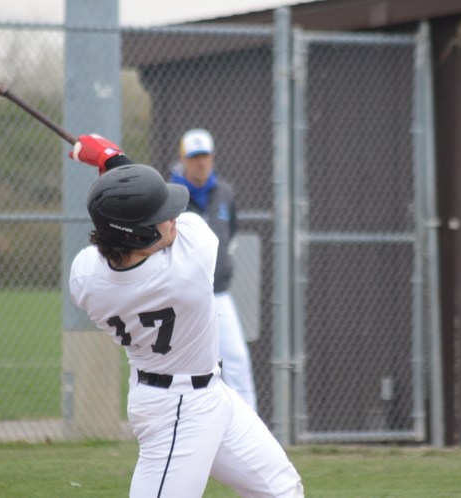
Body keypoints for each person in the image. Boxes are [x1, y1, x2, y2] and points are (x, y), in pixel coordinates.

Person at [68, 134, 304, 497]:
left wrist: (116, 186)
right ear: (140, 235)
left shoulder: (85, 278)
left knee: (281, 489)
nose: (173, 216)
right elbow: (187, 222)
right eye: (162, 217)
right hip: (176, 410)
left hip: (204, 394)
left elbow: (110, 240)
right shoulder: (190, 264)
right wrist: (114, 160)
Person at [171, 128, 257, 411]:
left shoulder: (225, 193)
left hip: (218, 294)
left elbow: (230, 231)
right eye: (195, 157)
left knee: (237, 361)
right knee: (184, 369)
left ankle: (251, 436)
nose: (201, 163)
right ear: (183, 158)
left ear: (213, 158)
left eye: (205, 156)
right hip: (181, 298)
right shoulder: (170, 194)